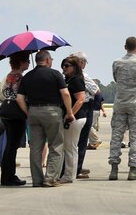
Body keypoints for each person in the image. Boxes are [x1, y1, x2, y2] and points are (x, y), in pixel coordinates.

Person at [16, 50, 75, 188]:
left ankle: (37, 180)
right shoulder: (55, 74)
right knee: (56, 145)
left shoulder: (28, 76)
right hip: (52, 111)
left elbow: (19, 98)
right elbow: (65, 94)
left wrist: (28, 112)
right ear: (47, 60)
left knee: (35, 148)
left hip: (34, 112)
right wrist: (70, 112)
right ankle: (50, 178)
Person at [108, 36, 136, 181]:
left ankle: (114, 169)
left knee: (116, 137)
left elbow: (116, 79)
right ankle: (133, 169)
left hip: (120, 103)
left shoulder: (117, 63)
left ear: (125, 47)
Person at [0, 51, 29, 186]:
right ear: (21, 62)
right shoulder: (20, 78)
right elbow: (20, 97)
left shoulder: (9, 76)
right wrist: (27, 113)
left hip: (6, 111)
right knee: (13, 146)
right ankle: (10, 176)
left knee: (9, 145)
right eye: (27, 60)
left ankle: (6, 175)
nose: (28, 63)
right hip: (16, 112)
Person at [58, 55, 88, 184]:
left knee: (70, 147)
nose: (64, 68)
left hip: (75, 117)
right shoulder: (69, 79)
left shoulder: (76, 80)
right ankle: (68, 173)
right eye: (62, 66)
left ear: (74, 67)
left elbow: (81, 99)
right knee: (69, 147)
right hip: (73, 117)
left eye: (67, 66)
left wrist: (70, 115)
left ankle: (69, 175)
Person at [74, 51, 100, 179]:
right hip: (84, 107)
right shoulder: (83, 75)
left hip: (72, 107)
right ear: (81, 62)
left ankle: (73, 166)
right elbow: (96, 90)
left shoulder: (67, 75)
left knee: (72, 140)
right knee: (82, 139)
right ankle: (77, 168)